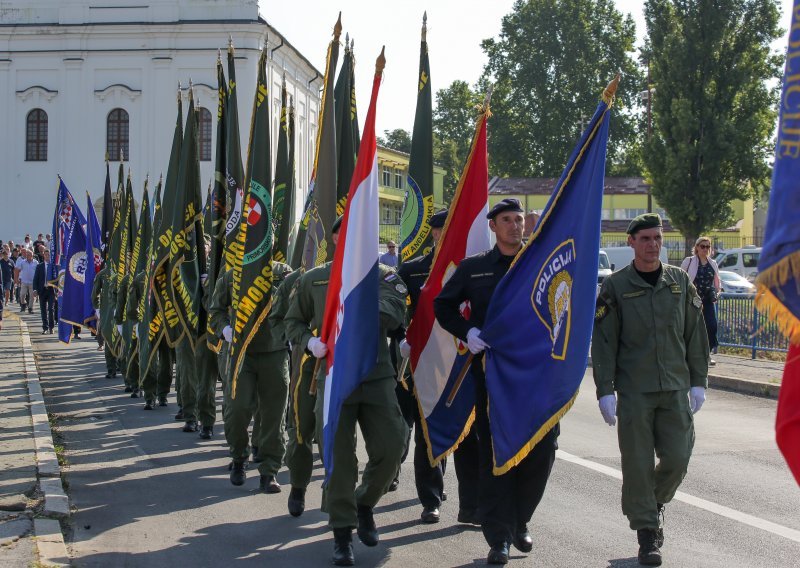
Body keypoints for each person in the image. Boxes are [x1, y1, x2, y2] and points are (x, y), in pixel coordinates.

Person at [434, 198, 557, 565]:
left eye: (519, 220)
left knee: (541, 450)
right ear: (493, 226)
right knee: (495, 455)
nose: (515, 226)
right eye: (507, 220)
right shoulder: (475, 269)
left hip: (536, 376)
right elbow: (443, 305)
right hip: (493, 376)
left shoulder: (537, 262)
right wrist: (467, 330)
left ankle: (521, 520)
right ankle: (499, 536)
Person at [285, 216, 409, 566]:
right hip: (334, 377)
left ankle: (365, 502)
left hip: (375, 375)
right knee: (338, 459)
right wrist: (309, 341)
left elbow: (396, 311)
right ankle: (342, 534)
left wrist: (357, 308)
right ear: (337, 238)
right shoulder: (314, 279)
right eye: (348, 233)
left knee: (392, 445)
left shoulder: (383, 277)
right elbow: (291, 321)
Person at [592, 213, 709, 566]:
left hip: (674, 386)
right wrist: (604, 389)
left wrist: (698, 381)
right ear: (631, 242)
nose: (653, 244)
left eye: (657, 238)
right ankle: (647, 535)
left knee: (678, 457)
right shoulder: (616, 286)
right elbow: (605, 340)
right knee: (638, 464)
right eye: (645, 238)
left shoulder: (678, 282)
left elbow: (695, 334)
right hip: (635, 390)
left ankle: (652, 502)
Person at [396, 209, 480, 525]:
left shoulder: (471, 267)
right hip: (426, 362)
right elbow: (396, 308)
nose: (444, 234)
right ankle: (430, 499)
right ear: (432, 233)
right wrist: (402, 338)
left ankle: (471, 506)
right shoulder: (413, 270)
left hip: (463, 360)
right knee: (428, 432)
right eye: (440, 229)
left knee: (468, 436)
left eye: (451, 228)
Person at [209, 256, 293, 491]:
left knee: (273, 415)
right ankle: (239, 457)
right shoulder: (231, 275)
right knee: (237, 408)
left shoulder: (282, 272)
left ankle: (269, 471)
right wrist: (225, 329)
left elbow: (296, 304)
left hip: (274, 351)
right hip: (240, 353)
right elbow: (215, 310)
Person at [680, 237, 721, 365]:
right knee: (692, 328)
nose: (705, 249)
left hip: (707, 300)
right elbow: (680, 278)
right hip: (692, 300)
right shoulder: (689, 261)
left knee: (711, 326)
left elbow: (717, 282)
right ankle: (687, 355)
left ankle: (706, 355)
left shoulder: (712, 263)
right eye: (702, 246)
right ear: (697, 247)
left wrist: (716, 292)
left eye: (707, 247)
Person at [32, 249, 56, 334]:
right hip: (42, 290)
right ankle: (45, 327)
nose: (47, 256)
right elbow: (35, 279)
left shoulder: (53, 266)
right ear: (43, 256)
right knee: (43, 309)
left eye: (48, 255)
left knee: (51, 309)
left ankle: (51, 327)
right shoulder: (39, 266)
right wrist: (35, 290)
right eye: (45, 255)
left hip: (51, 290)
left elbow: (57, 279)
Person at [15, 248, 37, 313]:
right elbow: (17, 270)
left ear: (32, 256)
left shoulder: (36, 262)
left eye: (29, 255)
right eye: (27, 255)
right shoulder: (22, 262)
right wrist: (16, 279)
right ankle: (23, 304)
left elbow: (38, 272)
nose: (28, 256)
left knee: (32, 296)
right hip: (24, 281)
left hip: (32, 282)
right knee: (22, 294)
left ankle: (30, 308)